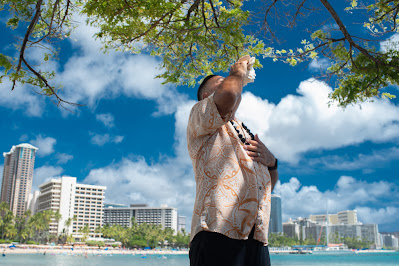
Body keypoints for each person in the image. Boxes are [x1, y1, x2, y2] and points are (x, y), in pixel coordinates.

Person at [187, 55, 279, 266]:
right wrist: (236, 72)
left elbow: (267, 188)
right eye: (221, 81)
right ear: (207, 96)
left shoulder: (243, 130)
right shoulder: (199, 115)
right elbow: (228, 94)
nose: (231, 81)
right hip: (217, 230)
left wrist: (272, 163)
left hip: (255, 238)